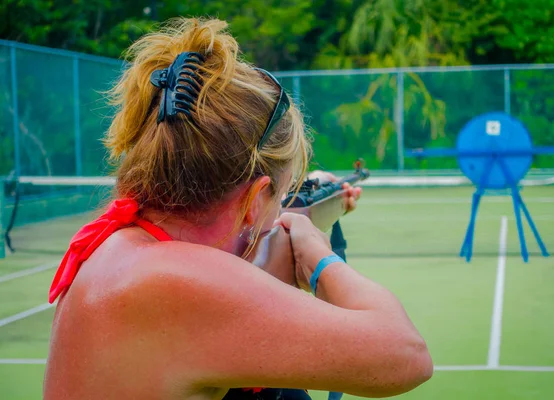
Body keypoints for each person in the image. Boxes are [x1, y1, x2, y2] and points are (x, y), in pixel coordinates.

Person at [43, 17, 432, 400]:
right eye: (278, 195)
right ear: (254, 198)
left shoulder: (131, 249)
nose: (280, 209)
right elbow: (406, 354)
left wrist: (294, 212)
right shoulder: (176, 281)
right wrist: (318, 254)